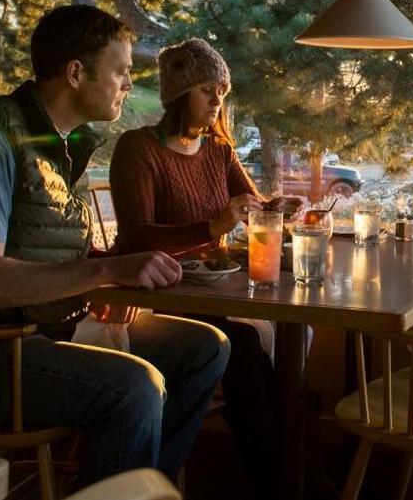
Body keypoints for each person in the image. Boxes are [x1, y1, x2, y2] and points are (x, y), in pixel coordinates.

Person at [0, 5, 229, 485]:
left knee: (206, 347)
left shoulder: (57, 144)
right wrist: (105, 273)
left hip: (47, 330)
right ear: (76, 73)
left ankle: (142, 488)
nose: (127, 85)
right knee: (135, 390)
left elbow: (47, 250)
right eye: (120, 71)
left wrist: (116, 265)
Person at [109, 38, 285, 496]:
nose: (217, 101)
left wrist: (282, 209)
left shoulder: (218, 152)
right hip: (149, 296)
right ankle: (276, 481)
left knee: (279, 339)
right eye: (207, 89)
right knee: (245, 343)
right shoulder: (138, 150)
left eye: (222, 91)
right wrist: (214, 225)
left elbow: (256, 207)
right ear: (178, 93)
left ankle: (291, 470)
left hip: (209, 290)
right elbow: (137, 238)